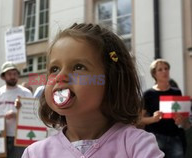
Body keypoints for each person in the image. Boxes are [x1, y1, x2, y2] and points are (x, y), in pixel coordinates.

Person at [21, 23, 164, 158]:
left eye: (78, 67)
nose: (60, 77)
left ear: (111, 79)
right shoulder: (36, 153)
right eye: (54, 69)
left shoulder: (136, 145)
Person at [0, 61, 32, 158]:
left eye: (15, 74)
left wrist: (16, 114)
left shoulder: (26, 93)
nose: (12, 76)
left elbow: (32, 116)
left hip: (20, 137)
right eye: (9, 74)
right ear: (3, 76)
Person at [140, 59, 185, 158]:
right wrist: (153, 119)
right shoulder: (148, 94)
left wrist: (179, 120)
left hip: (174, 137)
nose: (164, 71)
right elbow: (139, 119)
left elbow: (181, 117)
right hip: (155, 138)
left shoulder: (176, 92)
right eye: (160, 69)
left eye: (166, 68)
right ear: (154, 74)